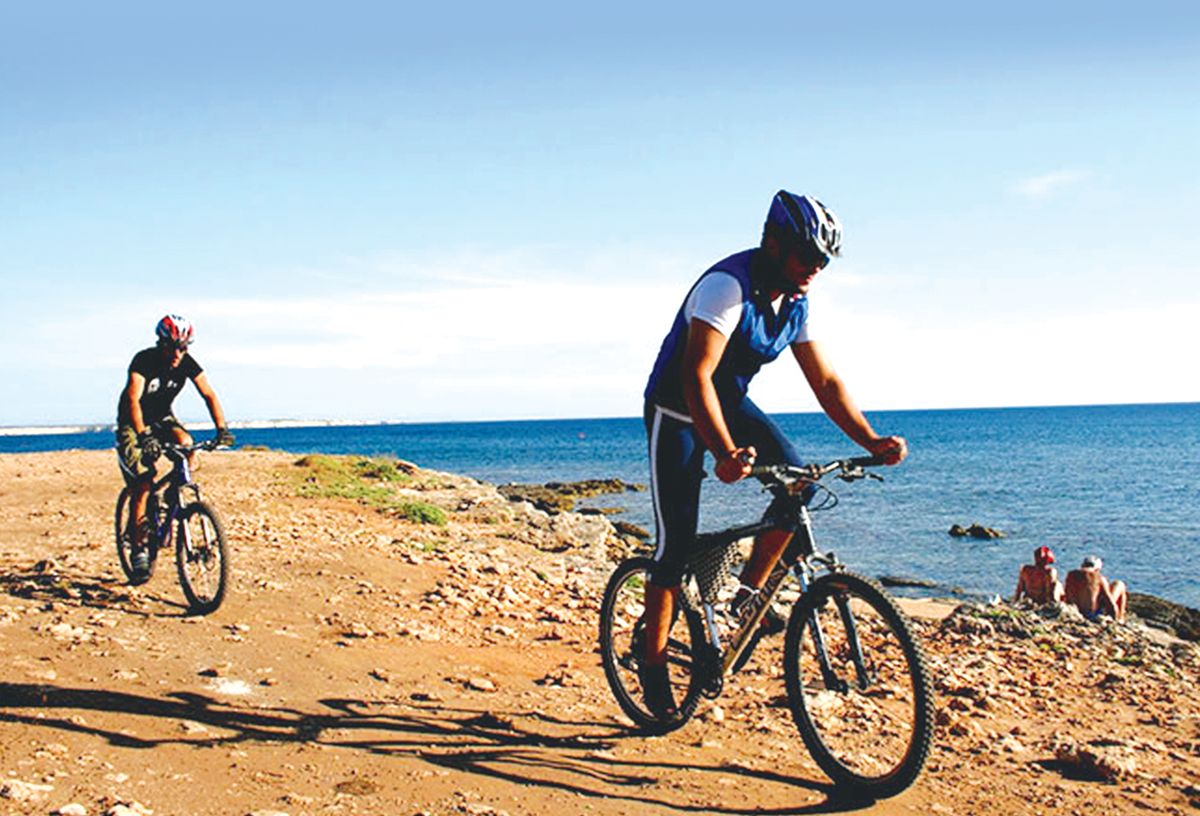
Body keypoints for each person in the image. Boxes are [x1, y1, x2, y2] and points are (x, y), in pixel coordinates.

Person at [639, 190, 907, 718]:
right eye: (806, 255)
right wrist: (723, 453)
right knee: (674, 548)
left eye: (822, 261)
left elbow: (825, 381)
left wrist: (871, 441)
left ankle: (746, 599)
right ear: (774, 242)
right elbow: (696, 376)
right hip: (677, 411)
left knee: (799, 483)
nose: (814, 268)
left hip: (731, 403)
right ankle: (650, 663)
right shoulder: (727, 287)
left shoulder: (796, 301)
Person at [116, 315, 234, 575]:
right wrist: (143, 435)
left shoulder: (187, 363)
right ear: (161, 343)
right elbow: (133, 398)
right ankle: (138, 547)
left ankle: (172, 494)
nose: (179, 353)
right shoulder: (144, 360)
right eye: (174, 346)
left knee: (187, 446)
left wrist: (221, 429)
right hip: (133, 423)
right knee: (144, 481)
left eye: (184, 347)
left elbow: (208, 394)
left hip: (163, 419)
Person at [1064, 556, 1128, 623]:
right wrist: (1115, 618)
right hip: (1092, 614)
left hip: (1074, 611)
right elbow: (1110, 602)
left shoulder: (1071, 575)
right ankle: (1121, 618)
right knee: (1119, 584)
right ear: (1097, 569)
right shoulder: (1098, 577)